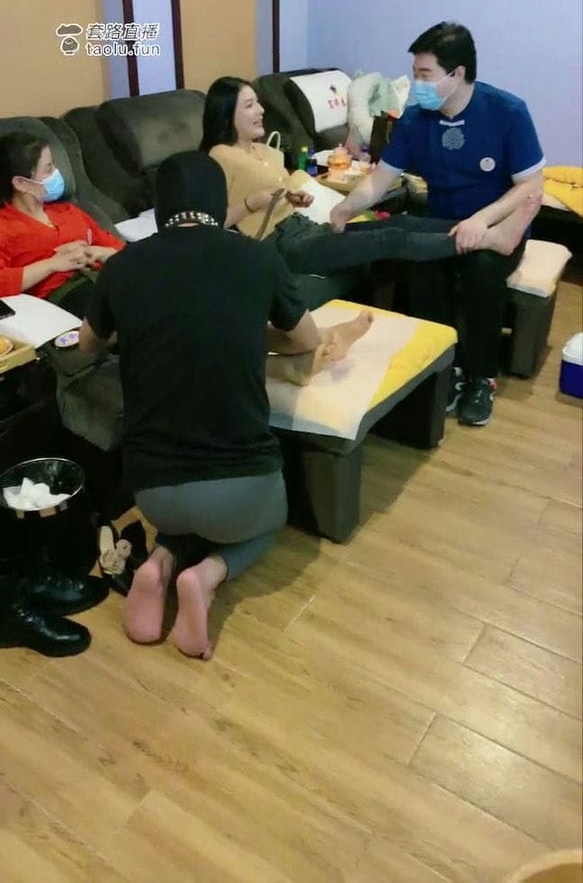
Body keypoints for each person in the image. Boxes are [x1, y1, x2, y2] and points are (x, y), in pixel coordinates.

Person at [79, 152, 372, 660]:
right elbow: (306, 340)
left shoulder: (123, 266)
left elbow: (88, 344)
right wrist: (244, 327)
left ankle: (160, 561)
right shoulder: (256, 258)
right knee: (265, 523)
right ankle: (208, 575)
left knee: (183, 522)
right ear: (219, 204)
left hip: (152, 492)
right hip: (240, 491)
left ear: (161, 208)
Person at [330, 23, 544, 426]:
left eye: (425, 74)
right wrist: (345, 207)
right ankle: (449, 367)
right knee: (423, 270)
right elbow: (381, 178)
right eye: (416, 73)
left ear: (457, 73)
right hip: (441, 225)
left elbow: (531, 186)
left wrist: (482, 220)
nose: (418, 84)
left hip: (495, 223)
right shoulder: (416, 119)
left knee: (482, 271)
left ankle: (482, 377)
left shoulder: (507, 112)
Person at [200, 77, 539, 303]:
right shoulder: (219, 156)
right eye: (249, 105)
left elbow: (278, 194)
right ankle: (489, 238)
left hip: (303, 227)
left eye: (258, 103)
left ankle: (483, 226)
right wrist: (252, 202)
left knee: (401, 222)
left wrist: (292, 196)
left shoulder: (265, 151)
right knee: (388, 239)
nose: (261, 111)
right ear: (226, 113)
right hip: (280, 246)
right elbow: (210, 223)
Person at [0, 133, 124, 316]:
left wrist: (96, 252)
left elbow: (123, 252)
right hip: (62, 301)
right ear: (21, 183)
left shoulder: (69, 211)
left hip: (107, 280)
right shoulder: (5, 227)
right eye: (48, 168)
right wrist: (53, 264)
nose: (57, 173)